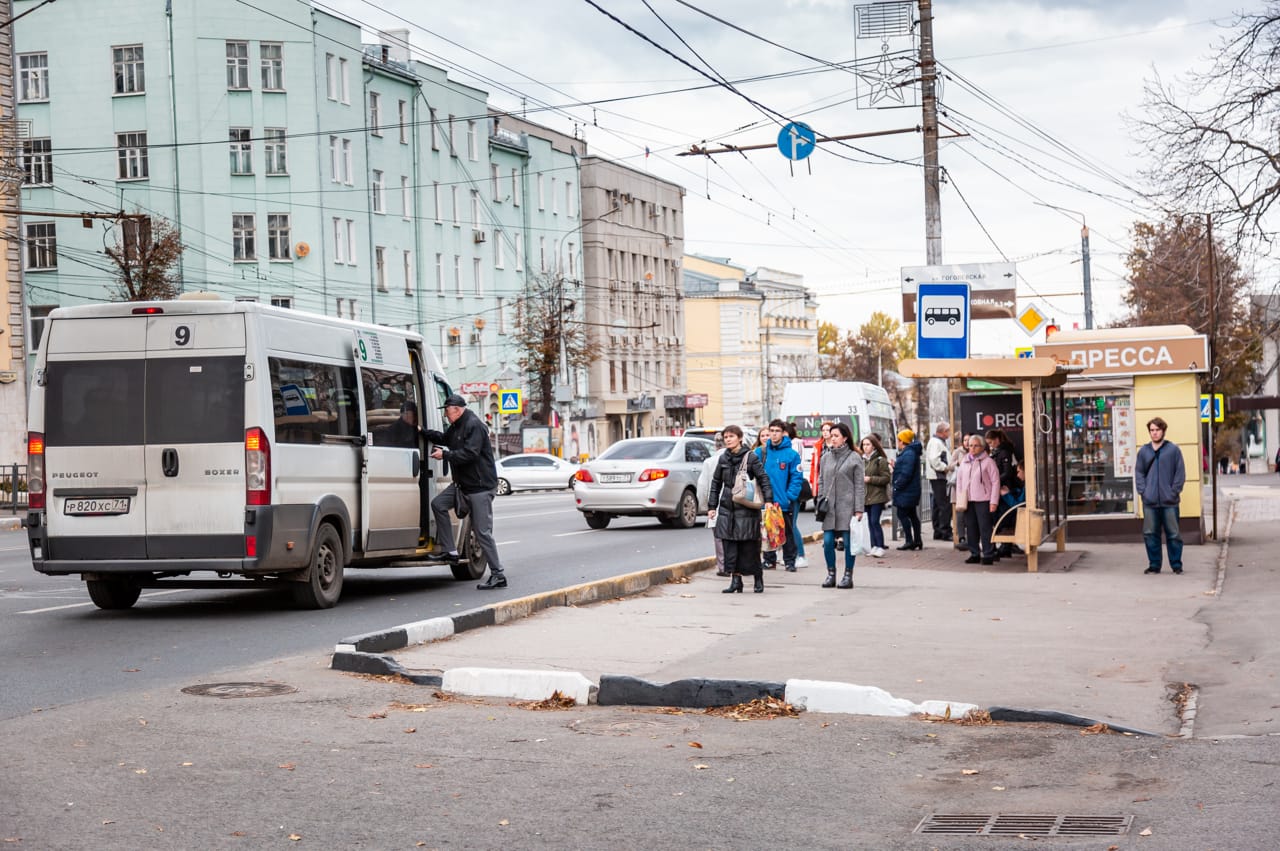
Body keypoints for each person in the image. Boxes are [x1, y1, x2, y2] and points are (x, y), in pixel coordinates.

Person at [423, 394, 506, 590]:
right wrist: (422, 431)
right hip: (463, 485)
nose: (445, 414)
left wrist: (445, 454)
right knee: (438, 504)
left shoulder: (474, 425)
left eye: (447, 410)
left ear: (457, 409)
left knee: (482, 532)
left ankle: (498, 574)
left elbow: (470, 453)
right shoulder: (457, 425)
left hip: (480, 487)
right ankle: (451, 551)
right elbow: (444, 438)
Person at [708, 425, 773, 593]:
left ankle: (758, 578)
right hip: (727, 509)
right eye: (726, 437)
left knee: (749, 547)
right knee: (730, 548)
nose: (728, 439)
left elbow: (763, 479)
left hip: (746, 508)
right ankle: (736, 581)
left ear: (740, 438)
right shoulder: (723, 458)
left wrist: (769, 501)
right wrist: (712, 506)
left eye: (731, 436)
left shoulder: (750, 457)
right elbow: (716, 484)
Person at [1134, 416, 1185, 575]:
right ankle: (1154, 565)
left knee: (1174, 534)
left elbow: (1180, 473)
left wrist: (1173, 491)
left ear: (1163, 431)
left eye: (1157, 430)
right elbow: (1139, 473)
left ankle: (1176, 565)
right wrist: (1144, 491)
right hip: (1150, 501)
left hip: (1169, 501)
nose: (1154, 433)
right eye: (1152, 430)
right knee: (1150, 534)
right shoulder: (1144, 451)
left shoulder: (1173, 450)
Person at [818, 422, 865, 588]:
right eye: (831, 436)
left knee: (847, 542)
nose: (833, 439)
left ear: (845, 438)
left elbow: (860, 485)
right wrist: (820, 500)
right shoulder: (825, 457)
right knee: (828, 541)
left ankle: (848, 575)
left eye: (836, 436)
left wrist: (859, 508)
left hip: (848, 506)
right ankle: (831, 573)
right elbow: (821, 481)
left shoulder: (854, 457)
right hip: (829, 507)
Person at [756, 419, 804, 572]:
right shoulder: (761, 452)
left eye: (777, 431)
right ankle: (769, 560)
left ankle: (790, 561)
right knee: (767, 532)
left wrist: (789, 496)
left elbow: (797, 477)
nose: (774, 434)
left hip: (783, 502)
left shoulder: (792, 455)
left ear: (783, 433)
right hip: (765, 502)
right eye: (771, 431)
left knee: (787, 533)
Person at [955, 434, 1001, 565]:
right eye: (970, 445)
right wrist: (960, 498)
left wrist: (993, 501)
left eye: (976, 446)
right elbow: (959, 481)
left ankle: (988, 554)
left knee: (985, 528)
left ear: (982, 447)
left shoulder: (989, 462)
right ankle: (974, 553)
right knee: (971, 528)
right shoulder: (964, 461)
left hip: (984, 500)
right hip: (968, 500)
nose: (973, 448)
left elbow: (995, 482)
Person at [985, 428, 1022, 558]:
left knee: (1004, 517)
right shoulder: (999, 451)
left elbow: (1007, 472)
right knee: (1002, 517)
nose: (990, 445)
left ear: (997, 440)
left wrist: (995, 482)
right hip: (1001, 487)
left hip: (1004, 488)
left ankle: (1006, 546)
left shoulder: (1004, 452)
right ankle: (1005, 546)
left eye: (991, 442)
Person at [892, 429, 924, 550]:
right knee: (912, 515)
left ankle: (910, 540)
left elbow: (906, 473)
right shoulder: (910, 452)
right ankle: (917, 540)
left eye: (898, 440)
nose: (897, 442)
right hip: (911, 490)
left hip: (906, 490)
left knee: (902, 514)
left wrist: (897, 484)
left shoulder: (908, 453)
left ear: (902, 441)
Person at [860, 434, 890, 558]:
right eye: (864, 445)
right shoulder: (862, 460)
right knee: (869, 523)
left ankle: (880, 546)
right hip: (866, 496)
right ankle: (873, 546)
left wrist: (870, 479)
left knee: (875, 521)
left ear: (874, 446)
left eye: (868, 444)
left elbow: (886, 478)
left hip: (877, 496)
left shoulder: (880, 460)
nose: (865, 447)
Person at [785, 421, 809, 568]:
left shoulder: (796, 444)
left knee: (792, 525)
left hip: (792, 490)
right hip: (781, 490)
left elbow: (795, 467)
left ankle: (801, 555)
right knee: (784, 526)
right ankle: (791, 555)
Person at [925, 421, 953, 541]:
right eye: (948, 431)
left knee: (938, 504)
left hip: (938, 476)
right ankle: (945, 531)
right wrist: (945, 468)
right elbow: (934, 460)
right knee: (944, 505)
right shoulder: (936, 442)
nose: (950, 434)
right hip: (939, 476)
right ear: (943, 432)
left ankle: (938, 530)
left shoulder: (936, 442)